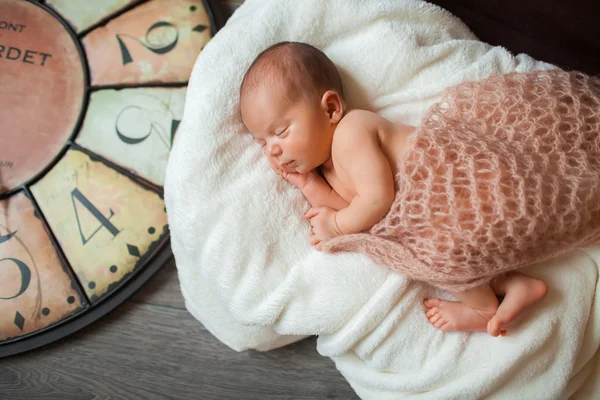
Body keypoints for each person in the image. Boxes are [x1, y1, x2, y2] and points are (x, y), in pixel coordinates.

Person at [239, 41, 564, 337]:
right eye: (262, 142)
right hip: (452, 216)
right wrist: (309, 183)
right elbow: (353, 207)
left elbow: (377, 199)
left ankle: (484, 308)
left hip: (468, 190)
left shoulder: (352, 132)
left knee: (438, 252)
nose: (272, 150)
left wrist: (335, 226)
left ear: (331, 109)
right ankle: (515, 284)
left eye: (280, 132)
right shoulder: (330, 167)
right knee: (441, 247)